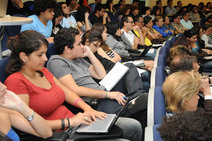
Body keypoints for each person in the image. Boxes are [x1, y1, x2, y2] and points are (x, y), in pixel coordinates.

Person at [46, 28, 143, 141]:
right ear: (67, 49)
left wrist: (90, 54)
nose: (83, 46)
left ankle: (135, 98)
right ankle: (134, 101)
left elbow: (101, 75)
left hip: (103, 92)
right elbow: (74, 90)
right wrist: (108, 94)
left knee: (129, 66)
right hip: (97, 102)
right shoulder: (57, 62)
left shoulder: (78, 58)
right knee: (141, 113)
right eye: (79, 44)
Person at [5, 30, 106, 131]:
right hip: (61, 133)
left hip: (76, 124)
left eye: (45, 53)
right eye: (40, 55)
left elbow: (66, 92)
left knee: (118, 127)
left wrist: (87, 108)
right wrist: (69, 122)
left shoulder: (43, 71)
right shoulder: (16, 81)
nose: (45, 58)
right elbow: (25, 123)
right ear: (24, 57)